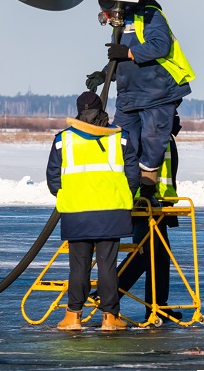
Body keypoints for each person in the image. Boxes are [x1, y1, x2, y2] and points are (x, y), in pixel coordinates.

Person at [86, 0, 194, 205]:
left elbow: (160, 45)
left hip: (157, 93)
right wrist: (104, 74)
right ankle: (127, 190)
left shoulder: (149, 15)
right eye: (105, 16)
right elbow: (120, 58)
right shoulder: (119, 26)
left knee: (153, 142)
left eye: (108, 14)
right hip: (129, 97)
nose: (108, 19)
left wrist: (128, 53)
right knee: (122, 142)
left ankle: (147, 190)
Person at [46, 91, 139, 331]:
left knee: (79, 266)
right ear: (102, 110)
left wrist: (67, 195)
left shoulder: (63, 140)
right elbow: (133, 175)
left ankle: (72, 316)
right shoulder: (120, 138)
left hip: (76, 214)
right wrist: (124, 195)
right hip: (111, 213)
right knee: (107, 266)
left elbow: (53, 178)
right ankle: (110, 317)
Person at [116, 105, 183, 322]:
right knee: (143, 254)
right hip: (145, 203)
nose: (176, 117)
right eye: (173, 113)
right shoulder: (150, 135)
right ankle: (108, 294)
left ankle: (158, 307)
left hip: (160, 204)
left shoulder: (164, 136)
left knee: (160, 258)